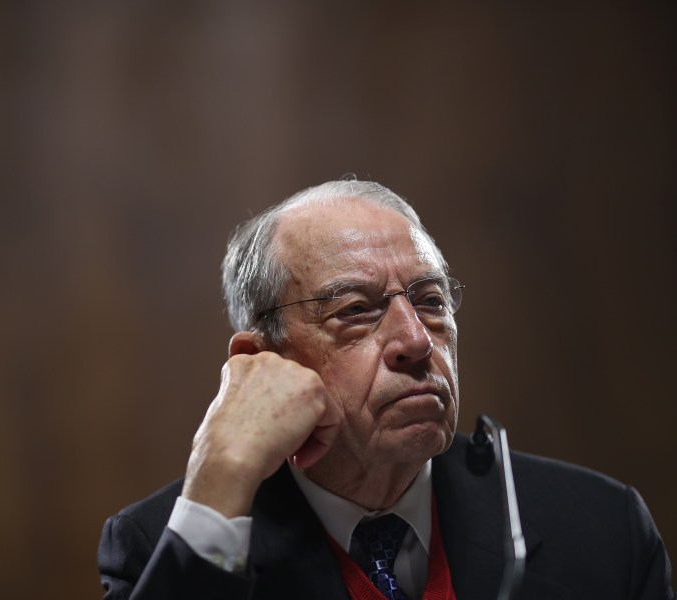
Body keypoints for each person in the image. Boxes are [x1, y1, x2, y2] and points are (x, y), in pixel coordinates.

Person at [97, 179, 674, 599]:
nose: (417, 341)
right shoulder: (163, 548)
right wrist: (221, 473)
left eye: (431, 301)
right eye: (356, 310)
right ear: (263, 361)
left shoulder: (602, 528)